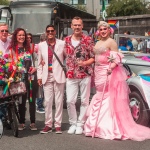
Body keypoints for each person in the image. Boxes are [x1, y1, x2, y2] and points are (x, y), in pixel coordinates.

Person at [83, 21, 150, 141]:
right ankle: (95, 126)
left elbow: (117, 59)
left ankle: (108, 127)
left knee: (107, 97)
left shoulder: (112, 42)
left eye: (105, 29)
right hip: (98, 72)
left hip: (107, 72)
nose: (103, 31)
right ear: (99, 31)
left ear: (109, 30)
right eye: (101, 29)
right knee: (99, 95)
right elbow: (95, 57)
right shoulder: (98, 42)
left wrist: (111, 68)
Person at [64, 16, 95, 135]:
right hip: (71, 74)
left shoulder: (88, 40)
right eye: (75, 25)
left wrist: (85, 63)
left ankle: (80, 124)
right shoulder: (66, 40)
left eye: (79, 25)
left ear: (82, 26)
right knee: (70, 101)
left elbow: (94, 57)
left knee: (84, 101)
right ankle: (72, 123)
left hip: (85, 74)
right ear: (71, 26)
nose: (77, 27)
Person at [37, 25, 66, 134]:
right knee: (48, 101)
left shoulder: (62, 43)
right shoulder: (41, 45)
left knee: (59, 101)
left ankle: (58, 124)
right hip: (46, 75)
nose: (50, 32)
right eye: (48, 31)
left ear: (55, 32)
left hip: (58, 74)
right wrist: (39, 76)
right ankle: (48, 124)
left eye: (52, 31)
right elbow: (39, 62)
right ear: (46, 32)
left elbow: (67, 58)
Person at [9, 28, 38, 131]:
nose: (22, 37)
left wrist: (36, 67)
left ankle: (33, 122)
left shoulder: (30, 47)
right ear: (16, 37)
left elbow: (37, 60)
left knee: (31, 100)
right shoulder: (12, 48)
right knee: (21, 100)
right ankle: (21, 122)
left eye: (23, 35)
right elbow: (10, 62)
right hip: (19, 78)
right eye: (19, 35)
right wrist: (14, 67)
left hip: (31, 77)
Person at [34, 33, 46, 114]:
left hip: (39, 69)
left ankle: (39, 103)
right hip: (41, 69)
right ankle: (39, 105)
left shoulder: (36, 46)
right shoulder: (40, 46)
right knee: (41, 89)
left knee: (40, 89)